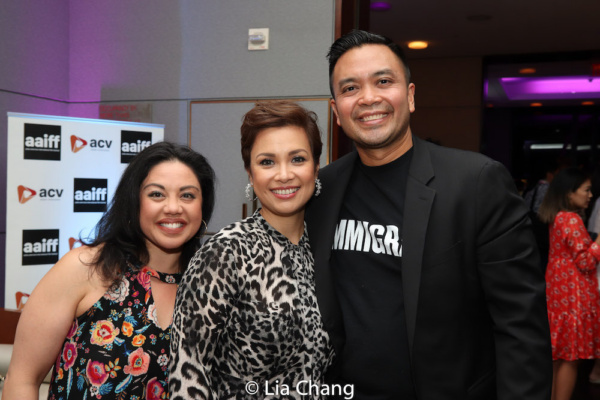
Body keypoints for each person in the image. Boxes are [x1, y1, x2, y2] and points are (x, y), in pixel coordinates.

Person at [305, 30, 552, 399]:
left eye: (383, 81)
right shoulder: (320, 189)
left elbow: (521, 327)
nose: (368, 98)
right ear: (336, 110)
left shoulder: (476, 183)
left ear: (410, 95)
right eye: (350, 88)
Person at [3, 141, 216, 399]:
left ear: (202, 207)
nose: (173, 207)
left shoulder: (211, 284)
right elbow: (22, 379)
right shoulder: (85, 269)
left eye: (187, 195)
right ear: (134, 203)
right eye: (156, 194)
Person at [169, 100, 335, 400]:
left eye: (297, 159)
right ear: (250, 173)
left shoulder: (327, 248)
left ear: (316, 166)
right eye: (267, 162)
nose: (284, 174)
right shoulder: (224, 253)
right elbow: (187, 372)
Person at [538, 167, 600, 400]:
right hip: (572, 295)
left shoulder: (558, 217)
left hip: (557, 293)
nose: (590, 195)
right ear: (569, 193)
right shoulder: (572, 219)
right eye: (586, 190)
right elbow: (585, 261)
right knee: (570, 358)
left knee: (560, 356)